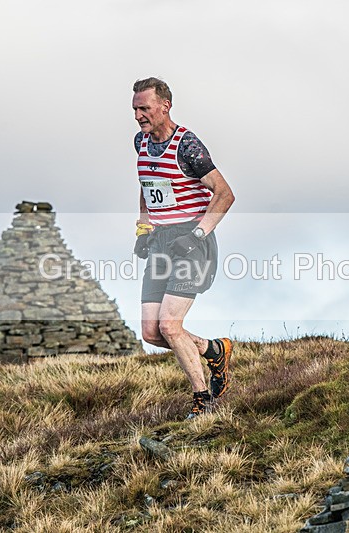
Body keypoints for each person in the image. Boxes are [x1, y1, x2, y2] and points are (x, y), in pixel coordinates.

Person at [131, 77, 236, 419]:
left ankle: (203, 401)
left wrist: (197, 234)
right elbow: (147, 185)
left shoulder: (187, 146)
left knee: (170, 326)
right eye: (135, 109)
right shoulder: (140, 142)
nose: (138, 116)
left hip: (192, 243)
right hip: (160, 241)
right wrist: (143, 229)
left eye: (144, 109)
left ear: (165, 106)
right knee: (151, 332)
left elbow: (225, 194)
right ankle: (214, 350)